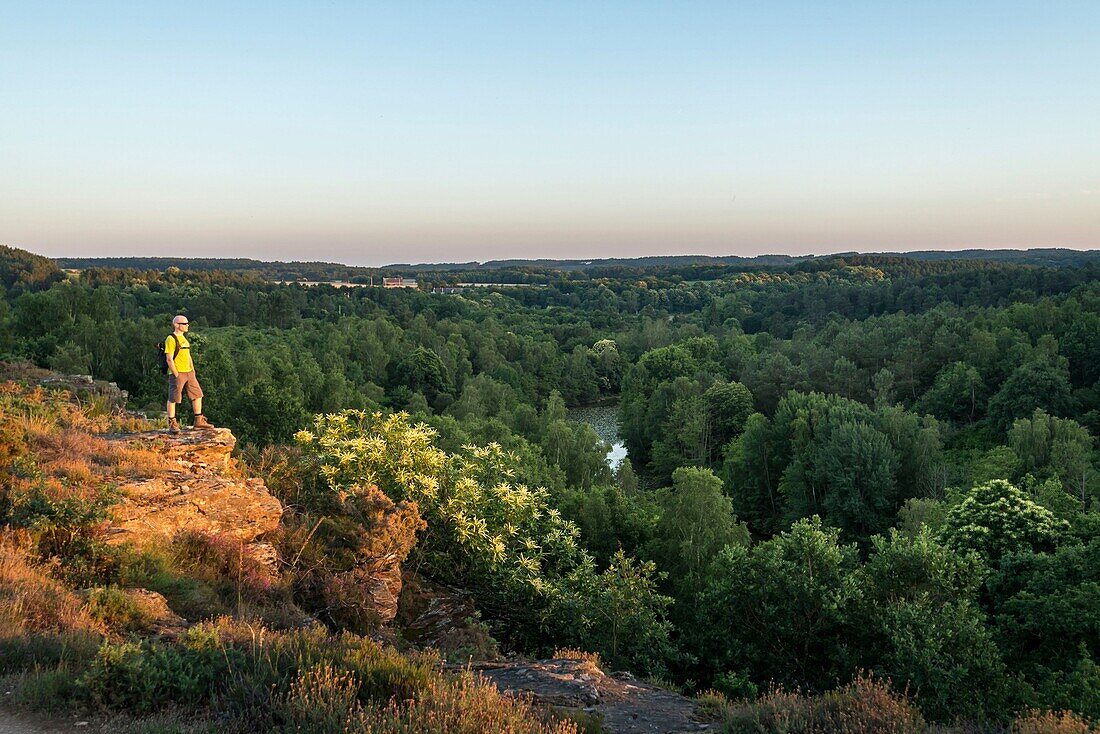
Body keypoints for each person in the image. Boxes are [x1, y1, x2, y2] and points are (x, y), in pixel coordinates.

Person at [165, 315, 214, 433]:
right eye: (184, 323)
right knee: (174, 398)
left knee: (197, 395)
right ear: (176, 325)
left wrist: (192, 370)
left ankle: (199, 420)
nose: (187, 325)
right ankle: (172, 423)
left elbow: (188, 356)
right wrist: (176, 373)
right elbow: (169, 359)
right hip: (178, 372)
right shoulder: (171, 339)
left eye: (187, 323)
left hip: (189, 372)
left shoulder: (184, 339)